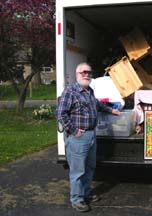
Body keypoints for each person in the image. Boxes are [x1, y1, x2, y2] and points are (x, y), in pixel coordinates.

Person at [57, 62, 120, 212]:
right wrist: (74, 131)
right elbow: (60, 114)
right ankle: (76, 199)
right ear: (77, 74)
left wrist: (112, 110)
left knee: (90, 167)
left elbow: (97, 105)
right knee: (78, 170)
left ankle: (85, 193)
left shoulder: (89, 91)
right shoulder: (70, 92)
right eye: (83, 72)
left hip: (91, 135)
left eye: (89, 72)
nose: (87, 75)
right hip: (78, 137)